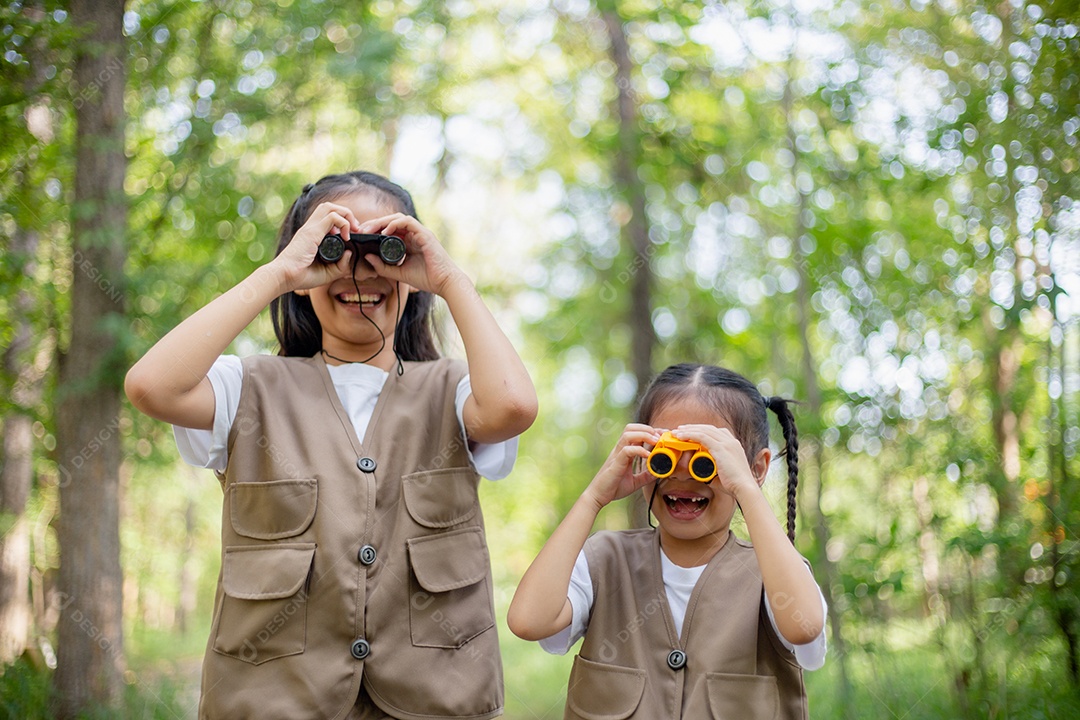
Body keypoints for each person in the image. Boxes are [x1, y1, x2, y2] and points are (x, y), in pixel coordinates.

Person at [125, 170, 537, 720]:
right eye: (336, 247)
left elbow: (514, 407)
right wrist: (279, 273)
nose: (359, 268)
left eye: (381, 247)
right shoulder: (247, 389)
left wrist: (449, 279)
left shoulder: (455, 391)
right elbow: (151, 386)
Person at [507, 363, 826, 719]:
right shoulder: (605, 561)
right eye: (666, 456)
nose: (683, 475)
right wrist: (594, 497)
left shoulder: (773, 574)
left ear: (757, 468)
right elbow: (528, 621)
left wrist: (747, 490)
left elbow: (804, 626)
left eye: (708, 459)